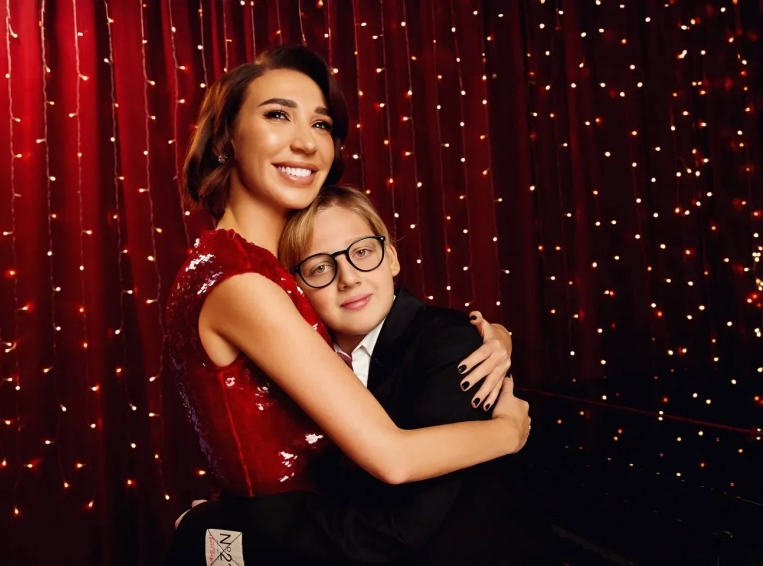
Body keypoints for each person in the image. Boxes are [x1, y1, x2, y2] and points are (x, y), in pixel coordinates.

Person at [165, 44, 528, 504]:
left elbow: (388, 335)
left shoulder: (262, 268)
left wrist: (489, 337)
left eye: (321, 124)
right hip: (296, 534)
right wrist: (509, 430)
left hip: (313, 528)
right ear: (224, 140)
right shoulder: (242, 282)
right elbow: (392, 457)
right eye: (278, 115)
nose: (307, 143)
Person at [167, 186, 549, 565]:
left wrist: (221, 525)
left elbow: (393, 530)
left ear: (391, 258)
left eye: (362, 252)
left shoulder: (451, 345)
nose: (348, 277)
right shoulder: (303, 362)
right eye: (320, 267)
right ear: (295, 288)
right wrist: (222, 534)